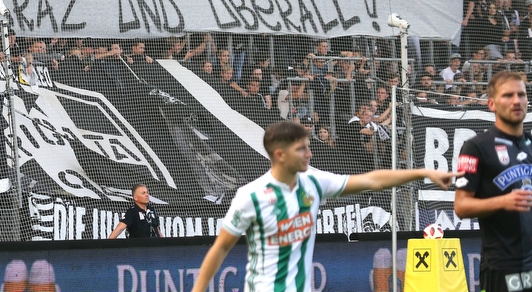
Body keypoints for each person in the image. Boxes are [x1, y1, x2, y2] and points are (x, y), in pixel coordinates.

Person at [191, 121, 457, 292]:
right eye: (302, 149)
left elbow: (372, 180)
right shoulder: (250, 196)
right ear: (280, 155)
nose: (310, 154)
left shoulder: (314, 181)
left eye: (308, 147)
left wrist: (423, 172)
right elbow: (221, 248)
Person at [454, 71, 532, 292]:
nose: (516, 101)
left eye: (521, 94)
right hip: (502, 267)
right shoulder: (476, 147)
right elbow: (461, 206)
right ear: (492, 104)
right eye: (508, 96)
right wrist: (503, 202)